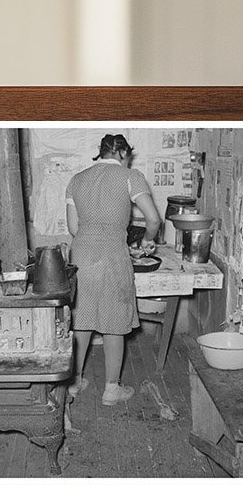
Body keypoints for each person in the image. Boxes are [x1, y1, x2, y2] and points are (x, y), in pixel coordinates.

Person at [66, 133, 161, 406]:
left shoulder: (76, 180)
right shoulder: (131, 176)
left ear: (102, 152)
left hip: (81, 256)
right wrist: (148, 240)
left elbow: (74, 229)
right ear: (121, 152)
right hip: (112, 256)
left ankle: (74, 382)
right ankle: (111, 389)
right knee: (114, 323)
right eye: (127, 155)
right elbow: (153, 219)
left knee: (81, 320)